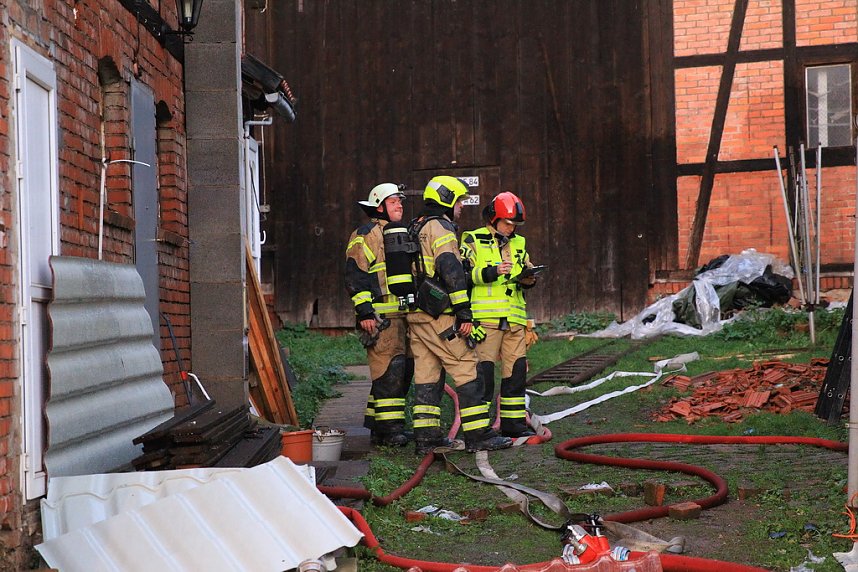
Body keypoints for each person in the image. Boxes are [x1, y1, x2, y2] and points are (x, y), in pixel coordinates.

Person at [407, 176, 513, 454]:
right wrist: (464, 313)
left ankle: (427, 438)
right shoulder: (440, 227)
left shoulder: (416, 225)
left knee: (427, 373)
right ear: (446, 199)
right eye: (460, 200)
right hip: (440, 315)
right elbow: (450, 269)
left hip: (418, 315)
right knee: (469, 368)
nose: (463, 205)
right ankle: (479, 435)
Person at [460, 191, 538, 438]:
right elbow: (462, 276)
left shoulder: (519, 243)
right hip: (485, 321)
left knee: (515, 376)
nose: (511, 228)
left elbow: (525, 273)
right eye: (507, 223)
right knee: (484, 377)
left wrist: (529, 279)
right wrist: (491, 272)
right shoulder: (472, 239)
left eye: (515, 224)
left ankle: (513, 425)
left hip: (514, 320)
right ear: (493, 218)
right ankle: (478, 429)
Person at [344, 183, 411, 447]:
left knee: (402, 373)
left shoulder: (402, 233)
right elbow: (355, 273)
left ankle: (375, 426)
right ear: (379, 206)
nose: (400, 205)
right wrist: (365, 312)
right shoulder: (367, 234)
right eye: (394, 201)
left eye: (400, 201)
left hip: (404, 315)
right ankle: (391, 431)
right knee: (388, 372)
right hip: (381, 316)